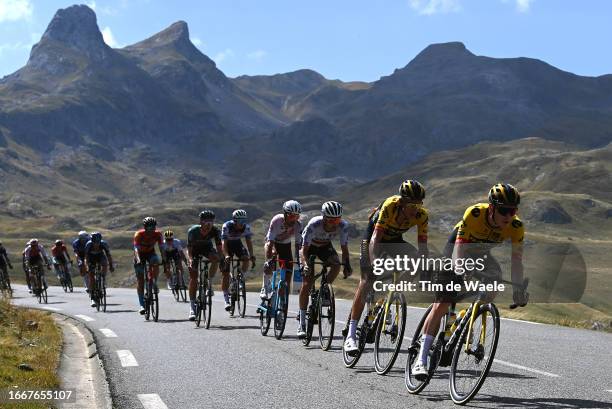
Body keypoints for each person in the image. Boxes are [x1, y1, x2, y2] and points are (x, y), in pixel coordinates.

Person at [412, 183, 528, 379]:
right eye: (504, 211)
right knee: (443, 302)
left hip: (481, 254)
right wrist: (460, 270)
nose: (509, 216)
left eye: (513, 211)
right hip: (457, 249)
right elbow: (460, 248)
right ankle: (421, 359)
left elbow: (517, 262)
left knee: (493, 286)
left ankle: (466, 317)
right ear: (492, 208)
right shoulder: (474, 214)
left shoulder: (516, 227)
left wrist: (518, 289)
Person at [344, 180, 429, 355]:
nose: (416, 208)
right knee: (367, 279)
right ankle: (351, 336)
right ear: (402, 201)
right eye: (412, 204)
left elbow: (422, 247)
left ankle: (386, 297)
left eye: (419, 204)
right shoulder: (391, 206)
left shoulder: (422, 216)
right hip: (374, 238)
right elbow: (375, 238)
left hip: (394, 240)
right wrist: (375, 262)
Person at [297, 201, 352, 338]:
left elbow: (344, 249)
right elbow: (304, 250)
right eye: (331, 219)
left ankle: (325, 289)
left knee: (336, 265)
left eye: (337, 219)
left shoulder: (343, 226)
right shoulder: (314, 224)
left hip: (325, 246)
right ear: (324, 217)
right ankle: (302, 323)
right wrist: (305, 265)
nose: (335, 222)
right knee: (307, 282)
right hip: (308, 248)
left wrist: (347, 264)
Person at [261, 200, 303, 300]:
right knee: (271, 260)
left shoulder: (298, 225)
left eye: (297, 216)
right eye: (292, 216)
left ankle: (282, 300)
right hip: (273, 242)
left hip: (285, 245)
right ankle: (265, 287)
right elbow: (270, 242)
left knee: (289, 271)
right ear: (285, 214)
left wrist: (300, 261)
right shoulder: (277, 220)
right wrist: (269, 259)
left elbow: (298, 245)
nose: (294, 219)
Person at [186, 210, 223, 320]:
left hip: (207, 249)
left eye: (211, 221)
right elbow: (189, 249)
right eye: (206, 221)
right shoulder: (193, 231)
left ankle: (209, 282)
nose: (209, 224)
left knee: (215, 259)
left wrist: (221, 259)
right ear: (201, 222)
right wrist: (191, 260)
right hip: (195, 251)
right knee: (193, 278)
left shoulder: (215, 231)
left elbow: (219, 248)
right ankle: (192, 309)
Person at [221, 209, 255, 311]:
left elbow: (248, 242)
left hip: (237, 244)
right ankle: (226, 300)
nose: (241, 224)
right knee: (225, 273)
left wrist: (251, 255)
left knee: (246, 258)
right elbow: (223, 242)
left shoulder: (246, 227)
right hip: (227, 245)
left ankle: (241, 277)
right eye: (240, 221)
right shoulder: (227, 226)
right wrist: (226, 255)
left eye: (243, 221)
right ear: (234, 221)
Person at [133, 217, 164, 315]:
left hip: (150, 253)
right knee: (140, 280)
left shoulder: (158, 234)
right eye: (149, 228)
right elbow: (136, 250)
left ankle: (153, 281)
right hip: (140, 255)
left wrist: (164, 259)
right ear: (145, 227)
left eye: (153, 227)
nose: (151, 230)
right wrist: (138, 260)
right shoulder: (139, 234)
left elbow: (161, 248)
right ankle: (142, 305)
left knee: (155, 262)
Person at [85, 232, 114, 307]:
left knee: (104, 264)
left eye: (98, 242)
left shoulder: (103, 244)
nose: (96, 244)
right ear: (92, 241)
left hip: (100, 256)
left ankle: (102, 279)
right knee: (91, 276)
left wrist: (110, 265)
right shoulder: (88, 245)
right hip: (91, 258)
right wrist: (88, 266)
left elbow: (108, 255)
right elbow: (86, 258)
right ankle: (92, 298)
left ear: (100, 241)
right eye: (95, 242)